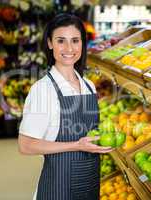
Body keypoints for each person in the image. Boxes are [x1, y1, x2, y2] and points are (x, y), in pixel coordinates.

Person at [18, 13, 113, 200]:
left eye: (75, 40)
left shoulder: (88, 86)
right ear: (50, 43)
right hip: (57, 189)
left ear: (82, 44)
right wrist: (76, 145)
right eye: (61, 41)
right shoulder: (43, 90)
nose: (69, 48)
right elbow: (26, 145)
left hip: (89, 185)